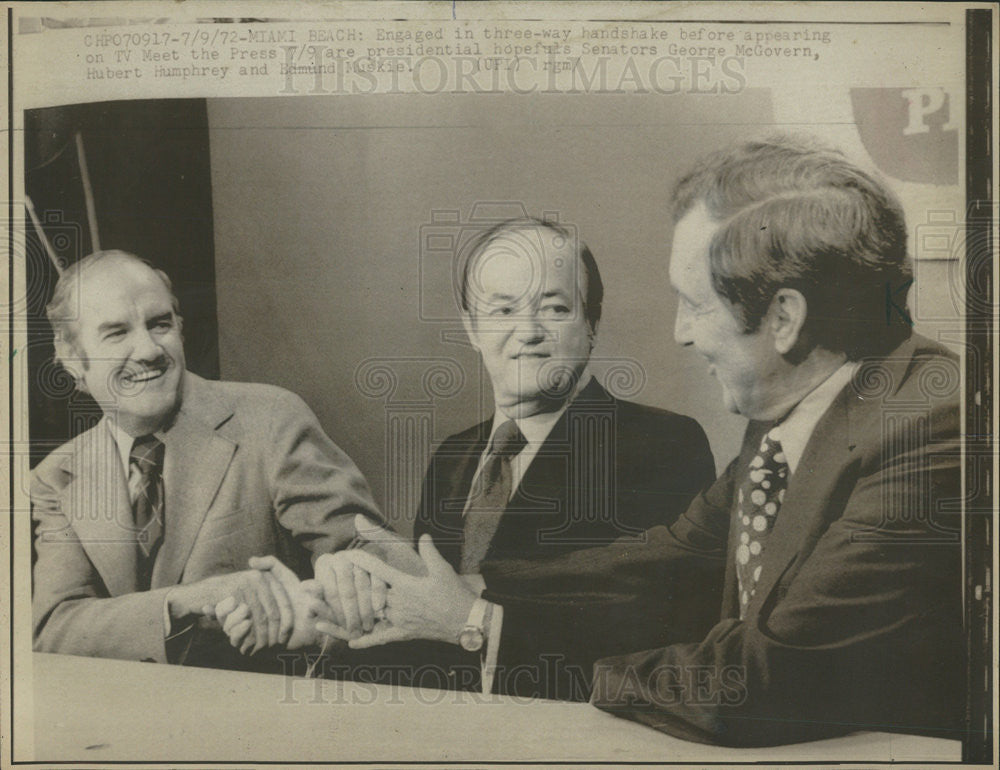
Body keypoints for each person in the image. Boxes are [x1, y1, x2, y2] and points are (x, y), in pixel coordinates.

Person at [334, 136, 963, 744]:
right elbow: (672, 549)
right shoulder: (791, 412)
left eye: (693, 304)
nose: (679, 333)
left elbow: (760, 681)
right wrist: (464, 584)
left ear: (784, 319)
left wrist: (480, 627)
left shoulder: (933, 430)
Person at [298, 218, 716, 699]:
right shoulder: (453, 457)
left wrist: (466, 614)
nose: (529, 331)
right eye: (502, 310)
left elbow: (654, 625)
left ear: (592, 325)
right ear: (471, 329)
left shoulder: (662, 443)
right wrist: (341, 619)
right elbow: (429, 628)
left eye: (555, 308)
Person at [31, 250, 381, 667]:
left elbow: (374, 563)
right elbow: (55, 627)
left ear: (180, 328)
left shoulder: (269, 419)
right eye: (117, 333)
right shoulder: (56, 477)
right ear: (72, 359)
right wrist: (187, 601)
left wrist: (311, 615)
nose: (147, 349)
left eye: (160, 324)